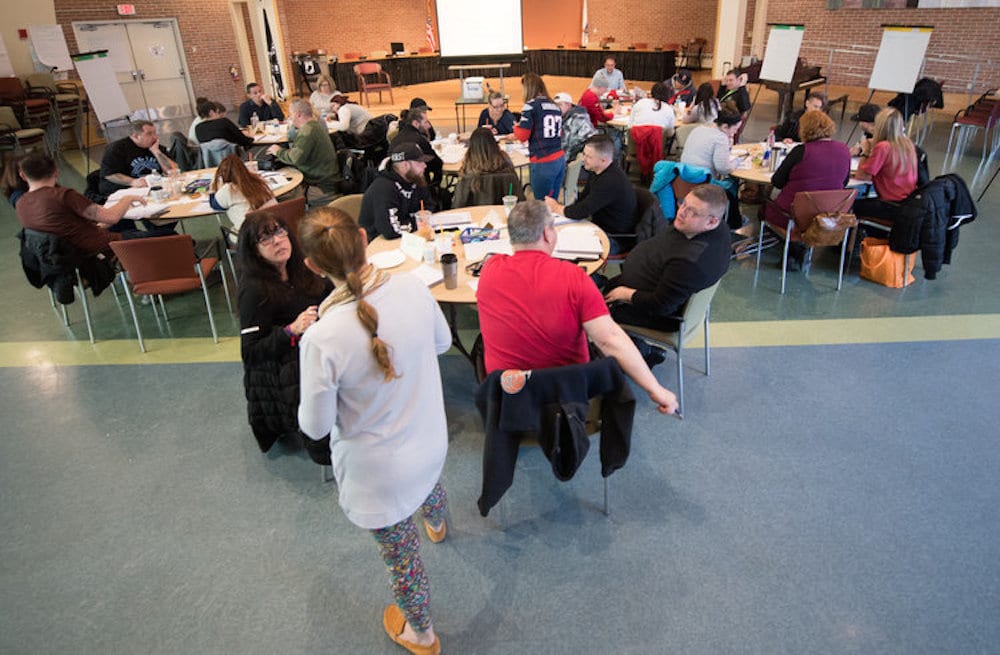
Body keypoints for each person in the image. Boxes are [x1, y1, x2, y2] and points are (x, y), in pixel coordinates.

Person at [297, 206, 451, 655]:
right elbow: (441, 344)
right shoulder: (413, 287)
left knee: (402, 561)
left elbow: (316, 426)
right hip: (430, 439)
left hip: (381, 475)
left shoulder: (322, 337)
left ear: (311, 265)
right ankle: (437, 520)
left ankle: (421, 634)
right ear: (364, 238)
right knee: (428, 485)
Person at [476, 199, 678, 414]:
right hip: (565, 396)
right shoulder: (574, 278)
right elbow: (610, 340)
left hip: (511, 394)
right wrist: (655, 388)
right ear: (547, 234)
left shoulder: (490, 269)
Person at [237, 210, 332, 456]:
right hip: (286, 361)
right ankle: (321, 440)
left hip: (316, 343)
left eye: (279, 232)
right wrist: (292, 329)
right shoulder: (254, 291)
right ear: (254, 250)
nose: (277, 241)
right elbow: (250, 351)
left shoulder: (300, 266)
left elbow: (329, 290)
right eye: (265, 239)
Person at [603, 184, 730, 336]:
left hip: (659, 312)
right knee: (598, 288)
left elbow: (661, 305)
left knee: (593, 313)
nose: (682, 212)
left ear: (712, 222)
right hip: (649, 284)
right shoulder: (715, 227)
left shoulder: (690, 263)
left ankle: (643, 350)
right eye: (683, 203)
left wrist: (625, 294)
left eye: (693, 212)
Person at [15, 153, 140, 256]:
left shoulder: (20, 203)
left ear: (23, 176)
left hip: (62, 256)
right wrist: (127, 199)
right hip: (95, 249)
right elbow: (111, 217)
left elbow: (66, 228)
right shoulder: (64, 196)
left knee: (122, 225)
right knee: (156, 235)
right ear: (56, 171)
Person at [545, 134, 636, 252]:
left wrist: (556, 207)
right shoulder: (597, 171)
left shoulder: (610, 181)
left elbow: (581, 211)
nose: (583, 159)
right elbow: (582, 201)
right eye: (584, 154)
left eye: (588, 157)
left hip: (614, 238)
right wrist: (564, 210)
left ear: (603, 160)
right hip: (599, 227)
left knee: (563, 248)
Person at [766, 110, 851, 230]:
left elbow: (777, 182)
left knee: (765, 203)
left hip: (793, 216)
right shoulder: (844, 149)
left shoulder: (801, 151)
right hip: (828, 216)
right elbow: (844, 182)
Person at [853, 107, 919, 222]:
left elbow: (862, 176)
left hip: (890, 205)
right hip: (908, 202)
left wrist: (866, 151)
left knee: (850, 204)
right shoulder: (907, 144)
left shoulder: (883, 147)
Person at [358, 142, 436, 240]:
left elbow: (429, 206)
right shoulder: (383, 189)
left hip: (410, 237)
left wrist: (417, 219)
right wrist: (418, 221)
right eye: (419, 162)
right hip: (379, 244)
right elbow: (391, 230)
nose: (425, 165)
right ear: (405, 165)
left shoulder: (416, 178)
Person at [266, 99, 340, 196]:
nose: (290, 118)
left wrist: (278, 151)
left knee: (283, 196)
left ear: (299, 114)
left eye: (291, 114)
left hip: (321, 186)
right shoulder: (314, 126)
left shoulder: (307, 132)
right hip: (326, 179)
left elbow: (295, 158)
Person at [513, 72, 565, 200]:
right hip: (559, 159)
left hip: (543, 162)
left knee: (541, 206)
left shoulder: (530, 105)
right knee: (552, 203)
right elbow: (560, 133)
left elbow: (522, 136)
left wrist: (515, 127)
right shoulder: (555, 105)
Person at [98, 120, 179, 198]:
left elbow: (173, 170)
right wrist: (132, 182)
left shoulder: (155, 146)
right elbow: (109, 175)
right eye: (149, 134)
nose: (155, 137)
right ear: (136, 136)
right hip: (125, 191)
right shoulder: (116, 149)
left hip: (153, 188)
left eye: (155, 132)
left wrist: (156, 152)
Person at [452, 127, 522, 208]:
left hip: (474, 216)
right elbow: (520, 200)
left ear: (471, 147)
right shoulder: (506, 163)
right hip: (506, 213)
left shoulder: (468, 174)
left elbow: (458, 205)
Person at [209, 154, 278, 230]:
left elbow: (215, 205)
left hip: (248, 234)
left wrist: (212, 190)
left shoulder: (228, 189)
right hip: (272, 228)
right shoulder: (258, 181)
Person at [681, 108, 742, 179]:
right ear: (725, 127)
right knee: (733, 182)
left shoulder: (698, 129)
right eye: (735, 129)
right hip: (702, 182)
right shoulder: (720, 138)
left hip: (683, 177)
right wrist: (737, 162)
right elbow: (724, 169)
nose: (736, 132)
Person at [390, 105, 443, 187]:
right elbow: (436, 164)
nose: (429, 126)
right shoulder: (420, 140)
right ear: (415, 123)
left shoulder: (394, 140)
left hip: (396, 184)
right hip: (417, 183)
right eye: (425, 122)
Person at [553, 92, 597, 164]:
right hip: (560, 158)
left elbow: (592, 140)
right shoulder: (558, 118)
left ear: (568, 105)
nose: (556, 108)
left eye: (559, 105)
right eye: (554, 105)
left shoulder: (579, 119)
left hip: (574, 161)